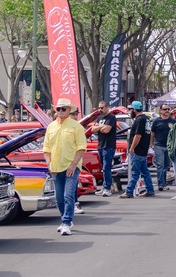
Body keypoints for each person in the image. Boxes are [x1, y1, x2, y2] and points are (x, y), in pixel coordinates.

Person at [43, 98, 86, 235]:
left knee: (68, 195)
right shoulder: (51, 127)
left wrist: (74, 164)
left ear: (69, 110)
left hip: (71, 166)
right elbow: (46, 147)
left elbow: (81, 148)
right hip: (55, 166)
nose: (60, 111)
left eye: (64, 109)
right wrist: (49, 163)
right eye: (58, 109)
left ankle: (67, 222)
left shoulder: (76, 127)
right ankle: (65, 220)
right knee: (59, 197)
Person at [125, 101, 156, 198]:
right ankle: (150, 190)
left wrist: (132, 147)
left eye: (131, 109)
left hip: (137, 150)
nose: (131, 111)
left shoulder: (139, 120)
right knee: (145, 171)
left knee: (135, 172)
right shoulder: (146, 119)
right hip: (143, 149)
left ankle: (129, 191)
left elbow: (137, 135)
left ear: (134, 110)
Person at [89, 107, 119, 194]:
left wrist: (99, 127)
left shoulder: (111, 117)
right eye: (99, 108)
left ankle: (107, 188)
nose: (100, 109)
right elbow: (93, 130)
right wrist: (101, 127)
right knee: (103, 168)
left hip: (109, 145)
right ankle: (104, 186)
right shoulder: (99, 118)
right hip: (100, 145)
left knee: (106, 167)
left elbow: (106, 130)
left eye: (102, 107)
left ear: (107, 108)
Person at [150, 107, 174, 190]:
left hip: (169, 146)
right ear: (160, 111)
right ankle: (161, 184)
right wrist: (152, 144)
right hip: (159, 146)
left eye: (168, 109)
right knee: (160, 165)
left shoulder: (173, 121)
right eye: (165, 109)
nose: (167, 110)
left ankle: (164, 182)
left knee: (167, 165)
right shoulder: (156, 121)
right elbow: (152, 133)